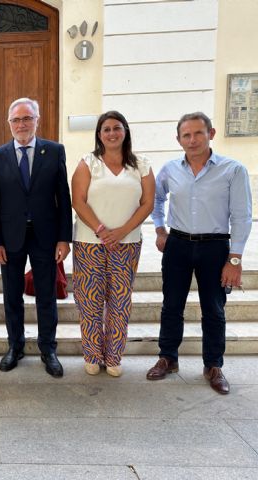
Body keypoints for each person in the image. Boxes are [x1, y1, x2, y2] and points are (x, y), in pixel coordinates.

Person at [147, 112, 252, 394]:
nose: (192, 140)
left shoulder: (233, 170)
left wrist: (235, 259)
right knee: (171, 306)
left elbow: (242, 217)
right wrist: (159, 230)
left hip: (215, 246)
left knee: (214, 310)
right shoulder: (170, 169)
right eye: (186, 135)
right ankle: (167, 358)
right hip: (178, 244)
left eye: (198, 133)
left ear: (211, 134)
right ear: (179, 139)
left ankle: (213, 366)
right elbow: (155, 200)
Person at [0, 97, 72, 376]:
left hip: (45, 237)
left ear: (37, 120)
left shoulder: (54, 151)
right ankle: (16, 346)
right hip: (10, 239)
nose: (22, 124)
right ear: (8, 124)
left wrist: (63, 238)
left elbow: (63, 197)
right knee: (12, 296)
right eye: (16, 120)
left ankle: (48, 348)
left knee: (46, 295)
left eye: (27, 118)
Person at [71, 111, 154, 377]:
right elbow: (78, 200)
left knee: (119, 301)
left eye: (116, 128)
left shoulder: (141, 164)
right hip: (89, 243)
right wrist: (102, 230)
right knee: (90, 301)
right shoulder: (88, 163)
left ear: (125, 131)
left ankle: (114, 356)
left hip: (127, 243)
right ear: (99, 135)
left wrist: (121, 231)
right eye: (105, 129)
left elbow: (148, 203)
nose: (111, 133)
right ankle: (93, 355)